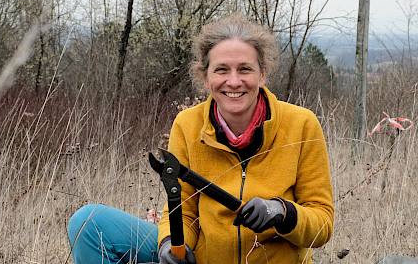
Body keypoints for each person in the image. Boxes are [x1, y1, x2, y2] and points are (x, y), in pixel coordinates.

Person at [67, 14, 334, 264]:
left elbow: (321, 226)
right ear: (206, 78)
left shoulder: (302, 125)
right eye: (221, 70)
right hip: (206, 257)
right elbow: (183, 208)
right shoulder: (188, 124)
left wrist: (282, 212)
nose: (233, 81)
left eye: (244, 69)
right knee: (89, 223)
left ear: (262, 74)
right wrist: (170, 243)